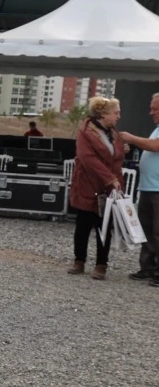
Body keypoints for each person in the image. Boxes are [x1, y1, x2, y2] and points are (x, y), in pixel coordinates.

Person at [69, 97, 126, 279]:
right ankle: (79, 260)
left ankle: (101, 264)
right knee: (83, 225)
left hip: (108, 189)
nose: (118, 116)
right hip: (88, 185)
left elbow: (115, 158)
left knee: (105, 226)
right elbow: (88, 159)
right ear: (103, 114)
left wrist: (122, 150)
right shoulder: (85, 133)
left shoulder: (113, 133)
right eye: (115, 112)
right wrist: (110, 178)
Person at [119, 93, 159, 286]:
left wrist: (131, 138)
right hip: (148, 187)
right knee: (147, 231)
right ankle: (148, 268)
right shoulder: (156, 129)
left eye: (155, 109)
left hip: (157, 189)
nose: (151, 112)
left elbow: (155, 146)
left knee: (157, 232)